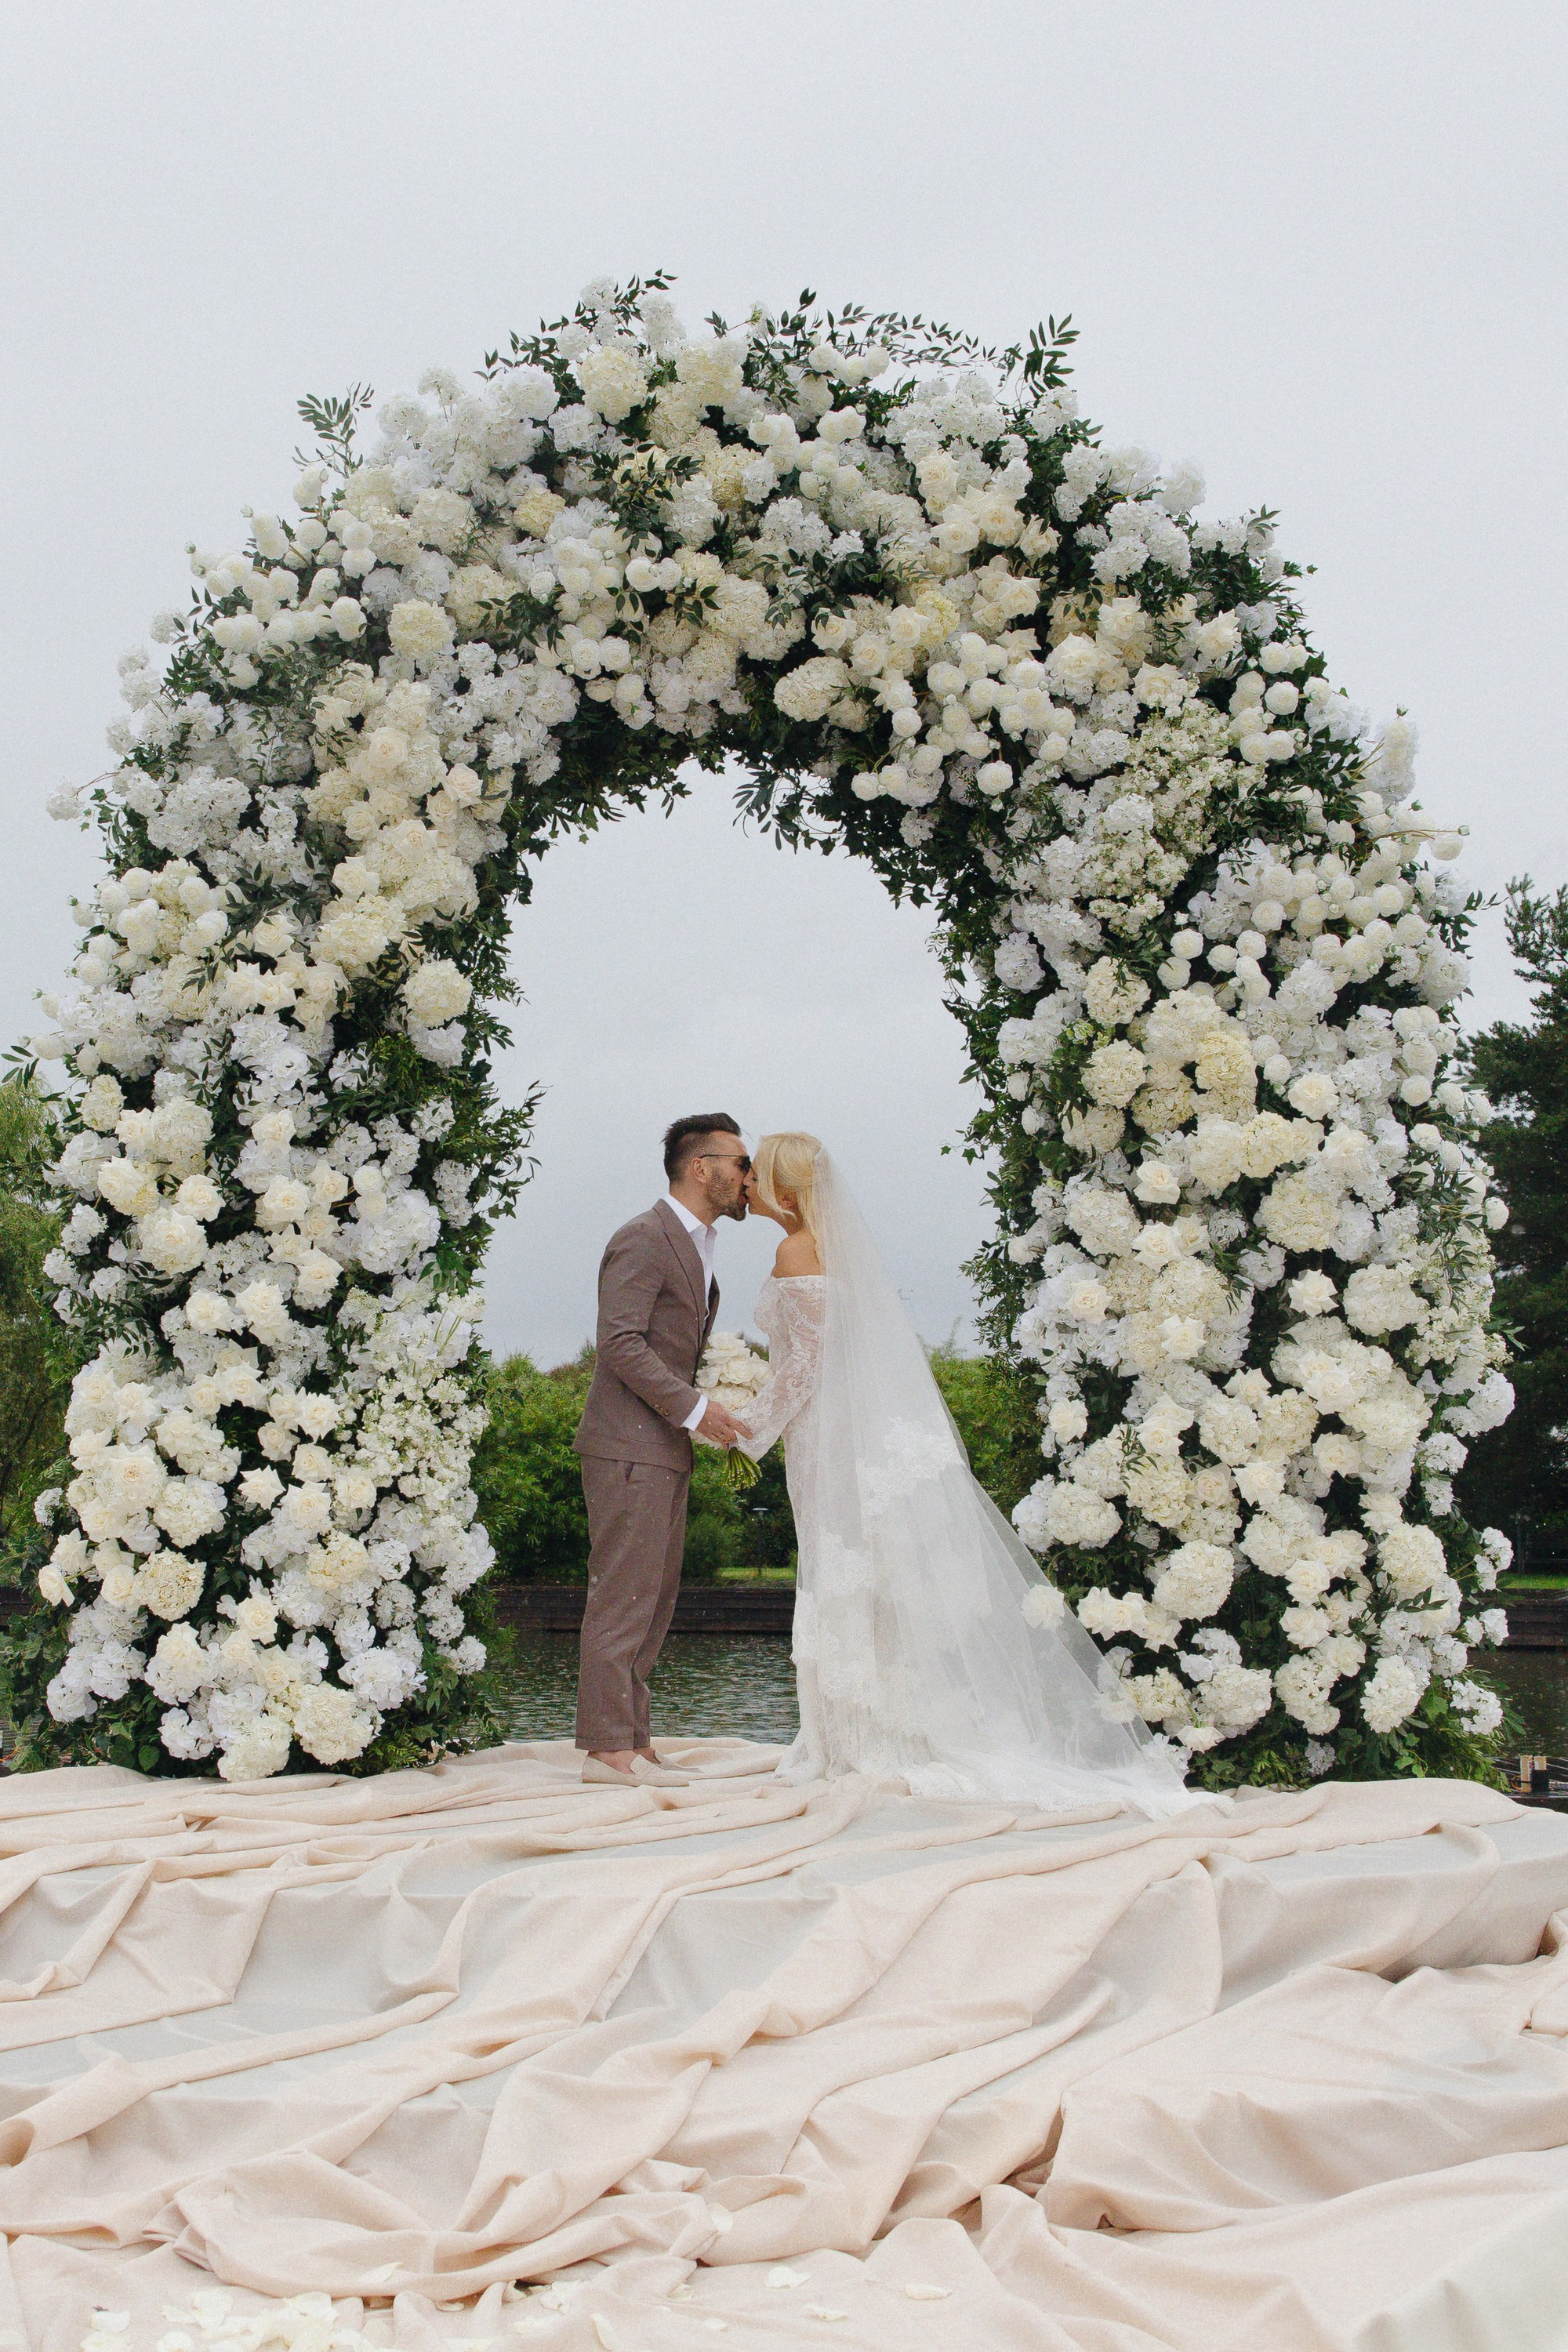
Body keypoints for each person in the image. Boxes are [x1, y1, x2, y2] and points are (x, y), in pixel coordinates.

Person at [739, 1133, 1196, 1816]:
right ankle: (879, 1725)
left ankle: (853, 1737)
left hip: (826, 1434)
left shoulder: (795, 1250)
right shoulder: (840, 1254)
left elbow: (801, 1368)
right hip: (847, 1428)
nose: (743, 1181)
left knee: (841, 1568)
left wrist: (743, 1427)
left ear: (782, 1189)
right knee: (866, 1573)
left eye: (754, 1171)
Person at [572, 1115, 753, 1787]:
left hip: (661, 1448)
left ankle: (631, 1740)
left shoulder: (697, 1245)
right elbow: (619, 1343)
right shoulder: (645, 1237)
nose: (750, 1178)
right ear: (701, 1166)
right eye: (742, 1162)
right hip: (626, 1446)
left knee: (653, 1600)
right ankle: (608, 1751)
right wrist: (698, 1409)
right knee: (622, 1598)